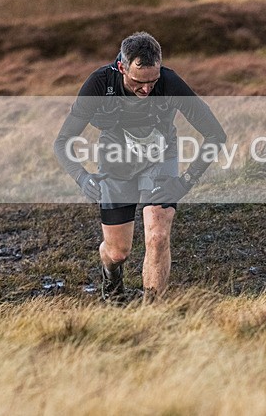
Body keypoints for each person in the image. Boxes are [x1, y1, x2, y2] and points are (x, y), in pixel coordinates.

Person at [54, 31, 226, 301]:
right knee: (117, 252)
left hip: (160, 159)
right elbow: (62, 141)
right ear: (122, 67)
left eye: (152, 81)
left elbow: (216, 134)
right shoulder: (99, 84)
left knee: (157, 237)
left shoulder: (170, 82)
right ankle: (111, 281)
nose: (146, 89)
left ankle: (152, 312)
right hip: (115, 163)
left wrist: (185, 181)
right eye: (138, 82)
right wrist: (82, 177)